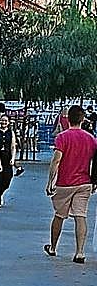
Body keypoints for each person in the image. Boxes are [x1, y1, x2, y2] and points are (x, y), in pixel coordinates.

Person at [45, 104, 97, 263]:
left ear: (68, 119)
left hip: (65, 183)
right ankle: (80, 252)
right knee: (81, 216)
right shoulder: (91, 139)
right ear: (83, 119)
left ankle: (53, 247)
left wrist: (50, 181)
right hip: (84, 182)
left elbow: (56, 161)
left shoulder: (62, 137)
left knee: (59, 216)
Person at [0, 114, 16, 207]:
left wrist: (13, 158)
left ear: (8, 122)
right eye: (2, 120)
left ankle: (0, 193)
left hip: (7, 157)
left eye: (5, 121)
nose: (4, 122)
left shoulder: (11, 132)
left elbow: (13, 146)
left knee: (7, 178)